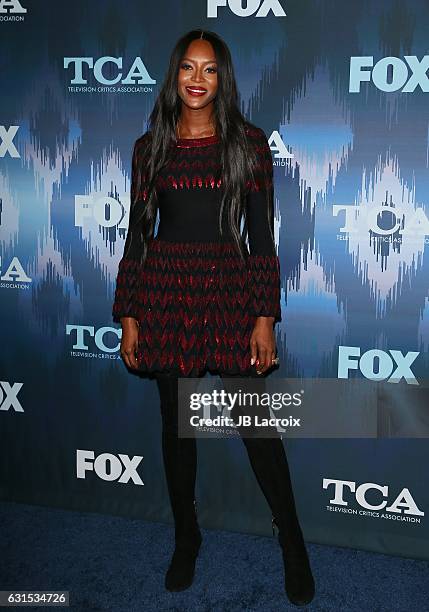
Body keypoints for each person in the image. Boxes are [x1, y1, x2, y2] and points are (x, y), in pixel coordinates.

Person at [112, 29, 315, 606]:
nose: (197, 80)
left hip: (229, 290)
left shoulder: (248, 145)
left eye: (210, 70)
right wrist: (129, 313)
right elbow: (137, 236)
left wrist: (263, 316)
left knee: (256, 427)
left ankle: (292, 540)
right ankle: (186, 537)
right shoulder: (149, 147)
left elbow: (262, 239)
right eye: (187, 68)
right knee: (178, 430)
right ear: (174, 75)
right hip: (167, 294)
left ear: (222, 79)